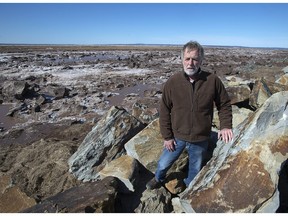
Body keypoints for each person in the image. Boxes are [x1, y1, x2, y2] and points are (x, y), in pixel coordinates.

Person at [146, 41, 234, 190]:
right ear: (182, 59)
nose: (191, 63)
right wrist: (167, 136)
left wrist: (225, 126)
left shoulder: (212, 81)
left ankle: (188, 191)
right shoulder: (173, 82)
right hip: (177, 136)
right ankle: (158, 178)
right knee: (163, 164)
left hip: (200, 138)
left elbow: (224, 104)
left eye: (195, 59)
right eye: (187, 59)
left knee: (195, 169)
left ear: (201, 60)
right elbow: (165, 110)